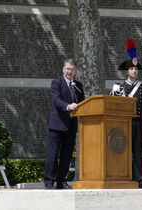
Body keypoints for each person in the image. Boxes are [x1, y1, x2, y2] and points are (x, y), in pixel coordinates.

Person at [110, 39, 142, 188]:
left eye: (136, 69)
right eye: (132, 69)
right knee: (120, 150)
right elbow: (113, 105)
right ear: (127, 71)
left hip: (137, 122)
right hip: (122, 123)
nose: (134, 71)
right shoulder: (117, 86)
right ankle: (120, 177)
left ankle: (140, 179)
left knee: (137, 152)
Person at [44, 59, 85, 189]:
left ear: (75, 71)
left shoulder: (78, 85)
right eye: (67, 69)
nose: (69, 71)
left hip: (71, 126)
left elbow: (83, 102)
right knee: (53, 154)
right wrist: (68, 106)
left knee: (67, 155)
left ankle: (61, 181)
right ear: (63, 69)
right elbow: (56, 100)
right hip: (57, 124)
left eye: (72, 69)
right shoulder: (56, 83)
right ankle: (49, 181)